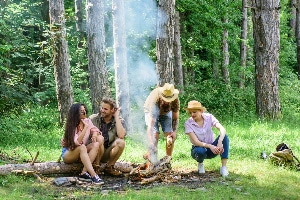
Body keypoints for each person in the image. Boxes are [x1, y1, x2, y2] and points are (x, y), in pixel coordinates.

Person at [184, 100, 230, 177]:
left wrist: (219, 142)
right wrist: (210, 146)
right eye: (190, 112)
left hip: (213, 149)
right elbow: (195, 142)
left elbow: (222, 129)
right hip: (198, 149)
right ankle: (200, 163)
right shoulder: (188, 123)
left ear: (201, 111)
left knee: (224, 137)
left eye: (194, 112)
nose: (192, 114)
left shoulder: (209, 117)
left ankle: (223, 167)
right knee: (200, 151)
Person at [61, 103, 104, 184]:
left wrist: (94, 134)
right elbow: (77, 143)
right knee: (82, 147)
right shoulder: (71, 125)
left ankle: (84, 172)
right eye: (82, 111)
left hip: (81, 152)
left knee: (96, 144)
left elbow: (95, 129)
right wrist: (85, 128)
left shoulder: (87, 121)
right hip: (69, 153)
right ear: (76, 113)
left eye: (85, 111)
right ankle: (94, 175)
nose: (85, 113)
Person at [89, 97, 126, 176]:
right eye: (101, 108)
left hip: (107, 152)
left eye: (105, 109)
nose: (102, 110)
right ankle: (96, 167)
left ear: (112, 110)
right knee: (99, 138)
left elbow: (121, 135)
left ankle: (109, 167)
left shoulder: (118, 120)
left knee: (121, 142)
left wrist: (116, 117)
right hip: (94, 151)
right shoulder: (93, 119)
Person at [143, 83, 180, 161]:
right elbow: (150, 126)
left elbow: (175, 118)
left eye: (169, 100)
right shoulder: (154, 100)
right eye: (165, 99)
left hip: (166, 113)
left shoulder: (175, 99)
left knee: (169, 135)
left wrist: (174, 132)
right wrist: (151, 143)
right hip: (151, 111)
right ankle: (152, 159)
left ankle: (168, 159)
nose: (167, 102)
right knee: (154, 135)